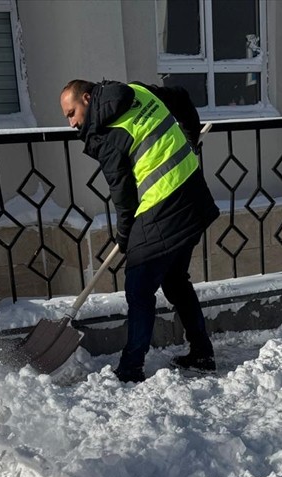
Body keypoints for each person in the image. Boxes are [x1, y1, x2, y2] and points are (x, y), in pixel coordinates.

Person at [60, 78, 218, 383]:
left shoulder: (107, 135)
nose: (71, 123)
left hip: (163, 206)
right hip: (192, 195)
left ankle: (131, 368)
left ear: (87, 99)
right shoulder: (138, 91)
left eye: (72, 113)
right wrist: (191, 138)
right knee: (175, 280)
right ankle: (202, 353)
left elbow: (123, 195)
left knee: (139, 288)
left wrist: (125, 236)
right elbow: (181, 95)